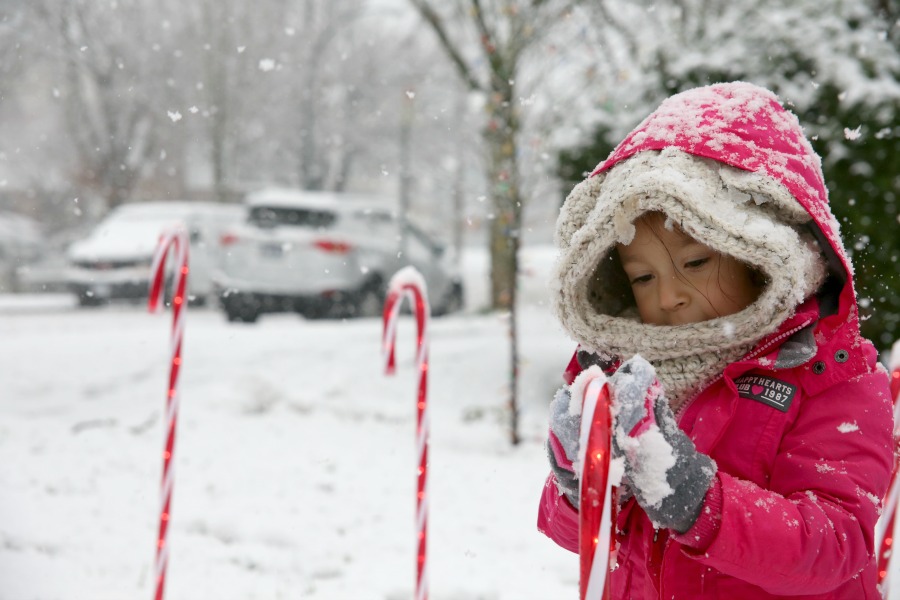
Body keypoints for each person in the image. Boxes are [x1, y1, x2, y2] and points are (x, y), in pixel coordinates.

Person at [537, 82, 894, 599]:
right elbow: (573, 537)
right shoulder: (620, 371)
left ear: (761, 253)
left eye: (696, 263)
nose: (669, 296)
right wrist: (580, 486)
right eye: (642, 278)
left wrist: (698, 501)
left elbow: (836, 543)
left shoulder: (830, 374)